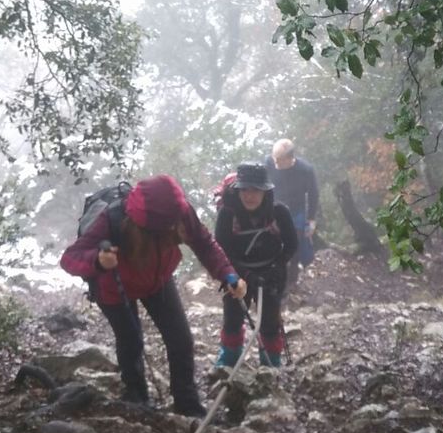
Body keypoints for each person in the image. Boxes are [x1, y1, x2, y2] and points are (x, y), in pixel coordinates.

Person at [60, 175, 247, 417]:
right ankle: (137, 397)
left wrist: (228, 275)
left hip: (158, 279)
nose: (173, 230)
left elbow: (204, 243)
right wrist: (98, 260)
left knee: (181, 339)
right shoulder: (111, 219)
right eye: (167, 228)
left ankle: (187, 403)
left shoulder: (179, 211)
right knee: (131, 341)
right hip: (114, 286)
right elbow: (70, 258)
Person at [214, 162, 298, 369]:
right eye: (245, 190)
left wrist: (277, 268)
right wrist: (244, 275)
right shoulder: (227, 215)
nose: (249, 196)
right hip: (236, 273)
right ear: (238, 190)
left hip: (271, 274)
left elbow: (292, 244)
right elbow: (222, 251)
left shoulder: (279, 212)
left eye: (256, 190)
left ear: (265, 191)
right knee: (232, 318)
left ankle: (270, 365)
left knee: (269, 322)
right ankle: (229, 361)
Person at [263, 138, 320, 292]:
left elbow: (313, 194)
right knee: (271, 245)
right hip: (273, 211)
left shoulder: (305, 170)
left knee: (294, 247)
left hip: (296, 212)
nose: (275, 161)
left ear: (289, 158)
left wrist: (311, 219)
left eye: (279, 159)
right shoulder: (268, 163)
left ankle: (291, 283)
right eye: (274, 157)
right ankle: (270, 279)